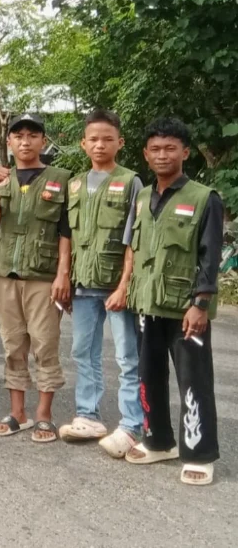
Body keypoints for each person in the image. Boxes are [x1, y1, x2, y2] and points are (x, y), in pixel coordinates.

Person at [124, 118, 222, 486]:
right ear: (146, 155)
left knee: (194, 381)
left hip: (185, 308)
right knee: (148, 375)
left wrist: (201, 303)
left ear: (185, 152)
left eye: (170, 148)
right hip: (147, 303)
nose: (162, 155)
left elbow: (210, 255)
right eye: (155, 149)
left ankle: (199, 453)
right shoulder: (142, 198)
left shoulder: (204, 198)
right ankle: (158, 441)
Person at [58, 110, 144, 457]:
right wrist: (64, 275)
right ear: (83, 143)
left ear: (120, 143)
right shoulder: (75, 184)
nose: (99, 145)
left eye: (107, 139)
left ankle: (132, 424)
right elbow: (67, 234)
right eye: (93, 139)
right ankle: (88, 416)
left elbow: (135, 239)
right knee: (83, 352)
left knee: (127, 357)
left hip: (116, 287)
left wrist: (125, 285)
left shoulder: (131, 182)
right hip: (82, 284)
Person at [0, 114, 72, 443]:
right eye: (18, 135)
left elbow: (66, 232)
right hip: (7, 273)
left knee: (45, 344)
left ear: (43, 141)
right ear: (9, 142)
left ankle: (44, 415)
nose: (25, 141)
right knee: (12, 344)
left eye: (32, 135)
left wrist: (63, 274)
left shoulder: (61, 179)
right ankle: (17, 412)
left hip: (43, 275)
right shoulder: (2, 179)